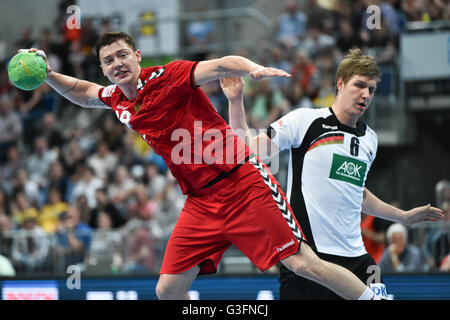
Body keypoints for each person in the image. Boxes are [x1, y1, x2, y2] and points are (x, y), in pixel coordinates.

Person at [24, 32, 388, 300]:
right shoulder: (117, 99)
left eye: (122, 55)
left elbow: (221, 65)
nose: (117, 64)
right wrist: (48, 75)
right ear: (104, 69)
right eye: (108, 61)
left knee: (303, 264)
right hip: (200, 202)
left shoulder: (168, 76)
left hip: (243, 183)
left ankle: (374, 300)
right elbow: (83, 93)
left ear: (137, 56)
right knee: (168, 290)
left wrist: (253, 69)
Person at [220, 48, 444, 300]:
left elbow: (357, 193)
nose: (365, 94)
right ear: (340, 83)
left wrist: (403, 217)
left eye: (371, 89)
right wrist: (235, 101)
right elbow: (249, 152)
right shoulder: (306, 121)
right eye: (359, 85)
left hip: (358, 261)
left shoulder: (370, 138)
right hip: (309, 260)